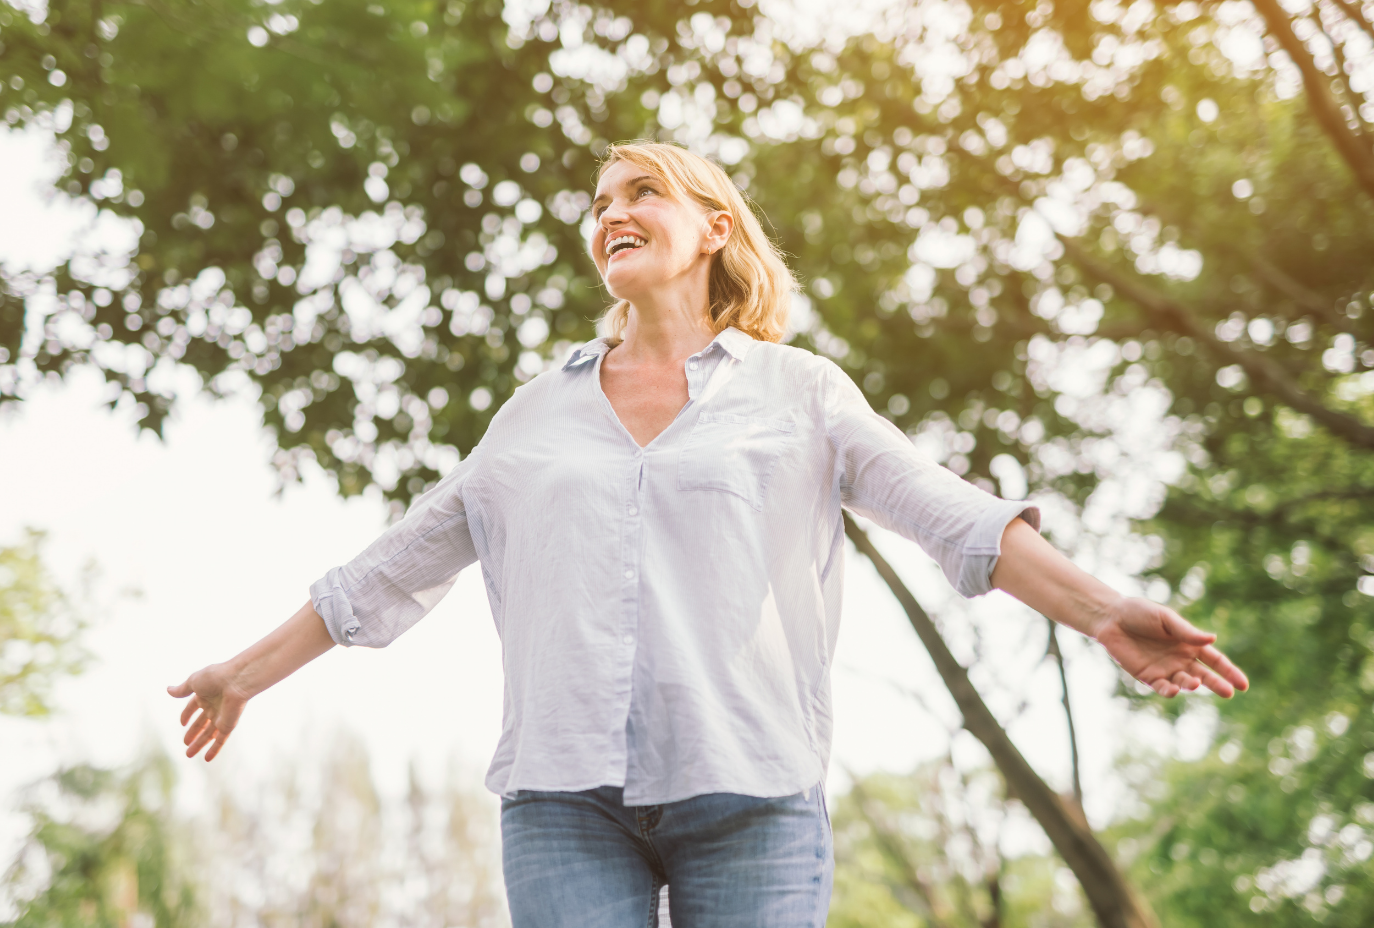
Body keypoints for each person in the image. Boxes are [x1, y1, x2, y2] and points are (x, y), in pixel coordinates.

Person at [169, 142, 1248, 927]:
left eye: (643, 191)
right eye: (599, 202)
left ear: (714, 228)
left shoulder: (800, 393)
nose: (611, 212)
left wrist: (1105, 609)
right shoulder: (535, 415)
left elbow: (947, 512)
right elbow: (392, 567)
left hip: (754, 799)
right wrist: (242, 674)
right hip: (564, 805)